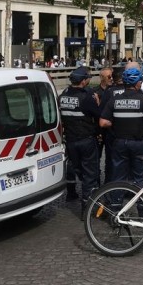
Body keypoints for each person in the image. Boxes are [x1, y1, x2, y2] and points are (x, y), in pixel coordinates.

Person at [99, 66, 143, 185]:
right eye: (140, 81)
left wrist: (114, 123)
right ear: (137, 83)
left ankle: (115, 202)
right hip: (139, 142)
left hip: (119, 142)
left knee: (118, 174)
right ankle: (142, 202)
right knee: (140, 175)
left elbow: (103, 122)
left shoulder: (114, 99)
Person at [59, 67, 102, 210]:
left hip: (70, 142)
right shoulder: (86, 97)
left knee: (79, 171)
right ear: (83, 81)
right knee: (89, 175)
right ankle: (88, 208)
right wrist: (97, 103)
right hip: (86, 140)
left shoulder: (63, 96)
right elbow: (99, 115)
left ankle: (81, 196)